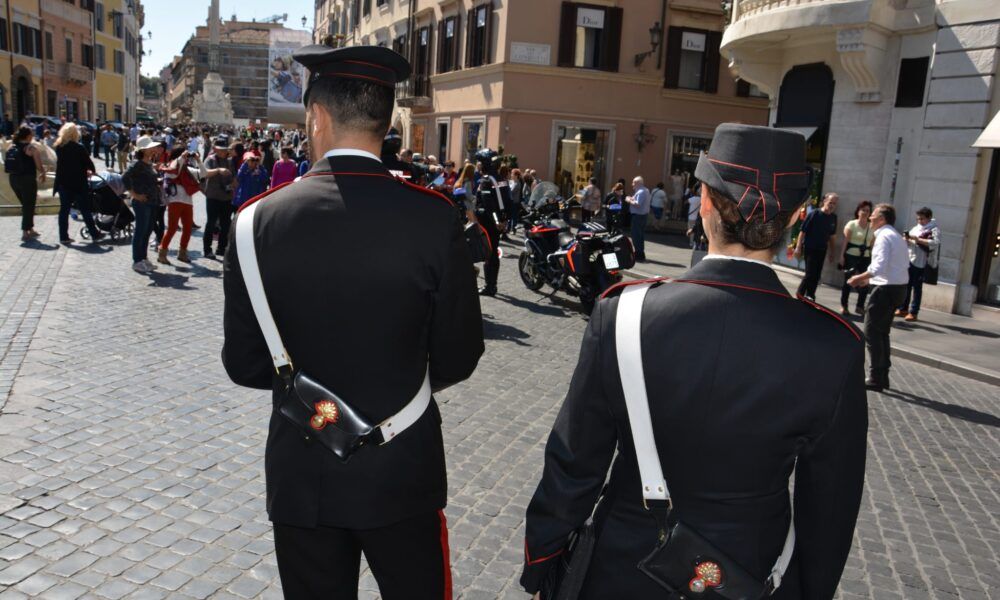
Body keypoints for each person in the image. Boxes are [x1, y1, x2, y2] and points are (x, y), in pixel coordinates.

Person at [521, 124, 867, 600]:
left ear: (703, 202)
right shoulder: (834, 345)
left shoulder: (624, 314)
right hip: (751, 573)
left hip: (622, 569)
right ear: (794, 219)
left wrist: (543, 563)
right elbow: (831, 506)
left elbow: (573, 464)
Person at [222, 44, 484, 599]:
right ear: (387, 122)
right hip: (403, 468)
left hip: (302, 468)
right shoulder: (434, 218)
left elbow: (246, 364)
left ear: (315, 116)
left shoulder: (254, 223)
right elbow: (461, 355)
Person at [848, 203, 909, 390]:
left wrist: (859, 278)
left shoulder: (884, 236)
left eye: (873, 215)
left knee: (872, 332)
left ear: (882, 218)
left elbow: (878, 267)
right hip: (897, 287)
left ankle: (875, 377)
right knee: (882, 333)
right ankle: (882, 375)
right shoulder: (896, 236)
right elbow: (893, 266)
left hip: (885, 290)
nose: (870, 218)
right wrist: (869, 281)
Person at [53, 123, 102, 244]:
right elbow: (90, 164)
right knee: (85, 209)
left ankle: (63, 236)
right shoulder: (79, 147)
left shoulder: (59, 147)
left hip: (63, 183)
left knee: (64, 210)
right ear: (76, 134)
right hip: (78, 183)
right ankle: (94, 233)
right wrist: (90, 171)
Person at [472, 147, 510, 296]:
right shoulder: (501, 179)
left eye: (480, 162)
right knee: (493, 253)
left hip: (489, 223)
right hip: (498, 222)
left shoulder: (487, 181)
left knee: (489, 254)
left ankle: (490, 286)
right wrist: (504, 220)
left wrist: (496, 221)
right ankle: (492, 285)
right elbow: (508, 201)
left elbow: (490, 206)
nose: (478, 164)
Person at [123, 136, 163, 274]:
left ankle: (143, 258)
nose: (154, 149)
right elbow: (125, 177)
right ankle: (137, 260)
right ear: (144, 150)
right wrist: (135, 194)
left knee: (147, 231)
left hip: (152, 201)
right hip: (142, 202)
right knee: (140, 231)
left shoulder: (148, 163)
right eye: (151, 147)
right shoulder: (137, 164)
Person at [157, 146, 203, 264]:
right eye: (184, 155)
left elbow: (203, 174)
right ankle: (162, 252)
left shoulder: (188, 168)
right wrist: (182, 158)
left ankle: (182, 253)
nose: (187, 157)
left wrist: (198, 160)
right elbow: (174, 174)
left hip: (187, 201)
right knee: (172, 228)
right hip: (175, 200)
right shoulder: (171, 166)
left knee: (188, 228)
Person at [897, 207, 941, 322]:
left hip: (922, 262)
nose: (919, 221)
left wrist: (918, 240)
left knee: (917, 288)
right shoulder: (916, 228)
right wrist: (906, 239)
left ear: (929, 218)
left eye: (922, 219)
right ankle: (903, 308)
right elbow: (910, 240)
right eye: (918, 219)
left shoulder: (934, 229)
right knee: (907, 285)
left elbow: (935, 243)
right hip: (910, 259)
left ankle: (914, 312)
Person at [794, 192, 839, 300]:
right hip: (810, 248)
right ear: (824, 201)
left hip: (822, 249)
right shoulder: (814, 214)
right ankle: (800, 293)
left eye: (834, 203)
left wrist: (832, 252)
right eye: (830, 202)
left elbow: (832, 236)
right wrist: (798, 247)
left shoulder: (833, 218)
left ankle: (810, 295)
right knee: (810, 273)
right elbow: (802, 231)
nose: (832, 205)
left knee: (817, 274)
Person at [7, 126, 45, 241]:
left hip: (13, 179)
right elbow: (39, 165)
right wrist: (43, 172)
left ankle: (31, 229)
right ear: (28, 136)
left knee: (26, 204)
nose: (33, 136)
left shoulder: (11, 146)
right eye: (32, 134)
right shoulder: (31, 148)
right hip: (27, 179)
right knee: (28, 205)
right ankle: (25, 232)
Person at [202, 136, 236, 259]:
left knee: (225, 224)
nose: (223, 152)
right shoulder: (210, 160)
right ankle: (207, 249)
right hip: (213, 196)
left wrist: (233, 184)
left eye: (225, 149)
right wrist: (218, 170)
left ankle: (221, 248)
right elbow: (204, 173)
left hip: (226, 197)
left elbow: (234, 177)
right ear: (215, 149)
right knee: (211, 223)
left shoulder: (230, 161)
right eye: (220, 149)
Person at [838, 200, 874, 316]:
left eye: (867, 210)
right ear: (858, 211)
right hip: (851, 255)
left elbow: (873, 244)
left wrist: (873, 259)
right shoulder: (851, 224)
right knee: (848, 281)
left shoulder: (872, 227)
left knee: (864, 282)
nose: (865, 212)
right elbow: (845, 241)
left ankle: (860, 306)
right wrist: (841, 256)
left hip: (866, 256)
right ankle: (844, 305)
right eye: (863, 210)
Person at [626, 176, 650, 262]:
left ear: (637, 183)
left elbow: (637, 204)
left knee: (636, 235)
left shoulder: (641, 192)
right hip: (643, 215)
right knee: (640, 235)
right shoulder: (645, 190)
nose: (632, 184)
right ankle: (640, 253)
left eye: (633, 182)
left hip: (638, 216)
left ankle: (638, 254)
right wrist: (632, 198)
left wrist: (629, 200)